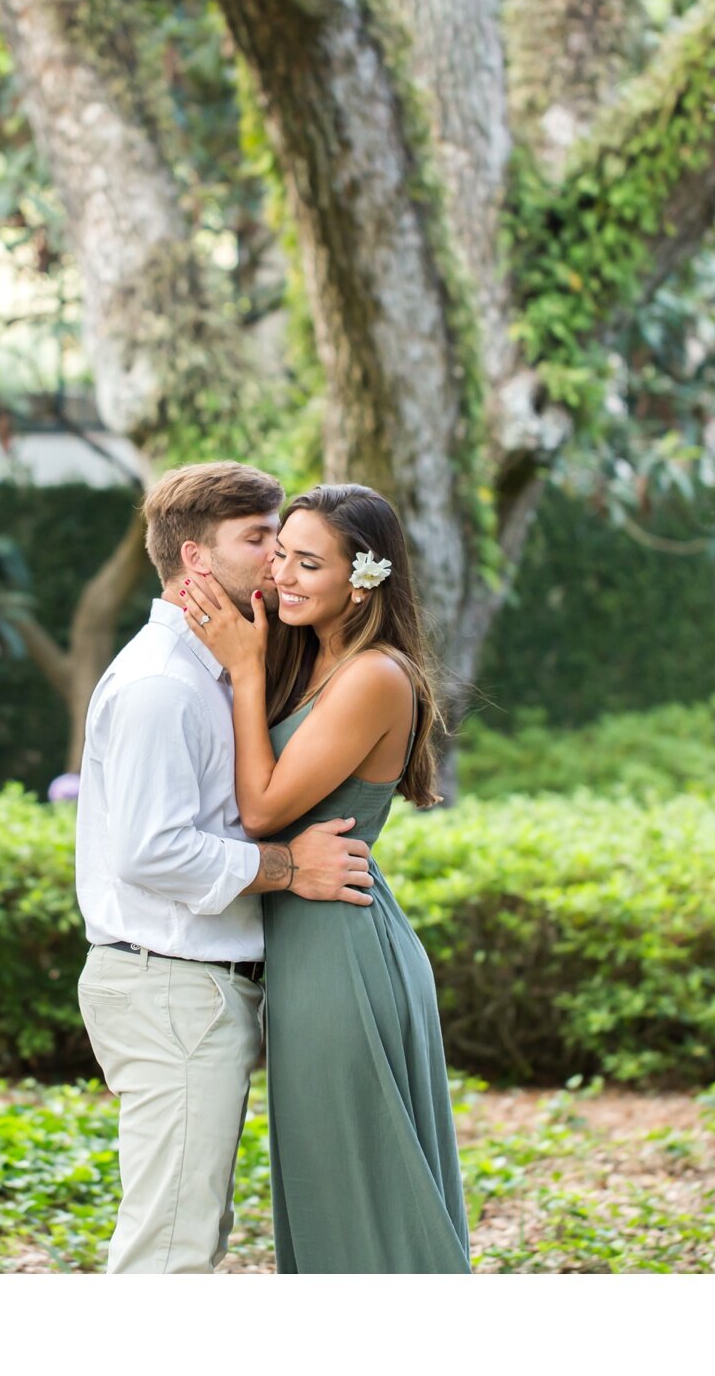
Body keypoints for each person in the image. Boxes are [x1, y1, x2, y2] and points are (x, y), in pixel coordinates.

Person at [75, 461, 379, 1275]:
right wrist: (287, 868)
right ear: (197, 560)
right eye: (259, 538)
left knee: (188, 1231)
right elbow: (151, 849)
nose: (279, 555)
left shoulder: (215, 670)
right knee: (169, 1247)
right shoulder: (162, 685)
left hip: (193, 989)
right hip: (171, 984)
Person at [182, 483, 471, 1273]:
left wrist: (245, 672)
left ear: (365, 578)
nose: (285, 576)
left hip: (343, 949)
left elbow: (264, 807)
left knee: (360, 1181)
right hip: (309, 942)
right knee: (324, 1175)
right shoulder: (310, 657)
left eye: (309, 563)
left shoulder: (375, 676)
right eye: (280, 556)